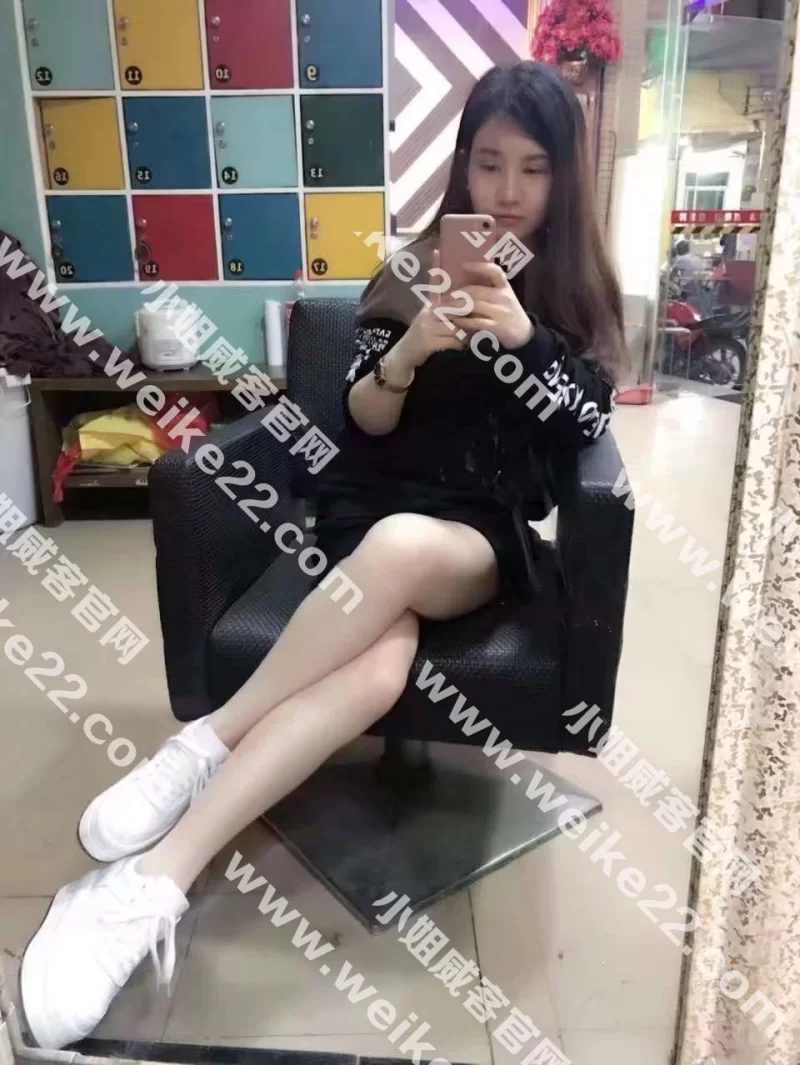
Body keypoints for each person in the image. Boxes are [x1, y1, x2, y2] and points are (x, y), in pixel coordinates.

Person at [20, 61, 627, 1050]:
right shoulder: (411, 270)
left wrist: (526, 341)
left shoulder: (576, 291)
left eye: (533, 167)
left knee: (403, 548)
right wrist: (410, 350)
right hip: (370, 509)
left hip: (476, 535)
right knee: (376, 671)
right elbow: (361, 418)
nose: (508, 191)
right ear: (461, 164)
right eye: (488, 163)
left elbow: (585, 432)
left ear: (565, 175)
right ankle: (151, 883)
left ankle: (207, 740)